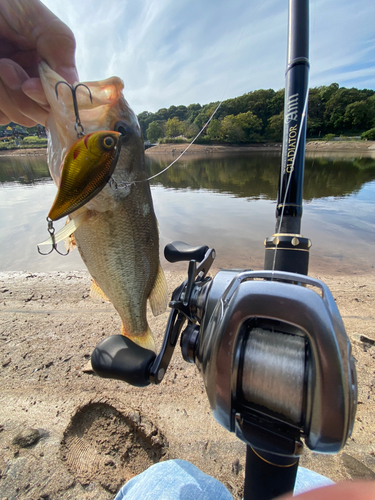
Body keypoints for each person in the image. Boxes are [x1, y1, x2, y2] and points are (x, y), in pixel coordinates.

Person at [1, 1, 374, 499]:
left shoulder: (98, 184)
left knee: (154, 486)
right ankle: (136, 323)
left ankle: (135, 325)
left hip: (108, 236)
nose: (111, 133)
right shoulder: (96, 182)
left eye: (116, 139)